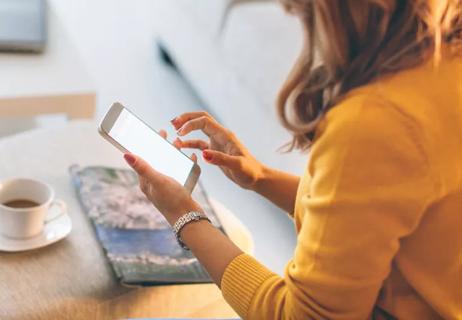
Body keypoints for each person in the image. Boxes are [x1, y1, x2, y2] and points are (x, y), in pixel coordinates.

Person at [123, 0, 462, 319]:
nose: (287, 8)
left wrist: (184, 216)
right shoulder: (444, 59)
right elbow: (377, 215)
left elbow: (301, 315)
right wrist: (261, 178)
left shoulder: (374, 123)